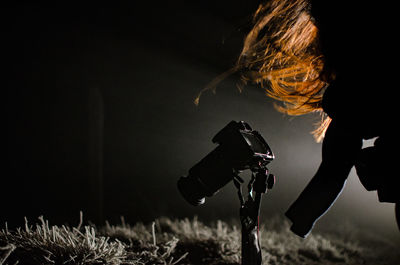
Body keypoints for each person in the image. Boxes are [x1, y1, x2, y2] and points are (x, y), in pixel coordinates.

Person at [233, 0, 399, 237]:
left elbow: (337, 161)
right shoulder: (357, 85)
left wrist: (306, 213)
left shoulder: (357, 86)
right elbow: (337, 161)